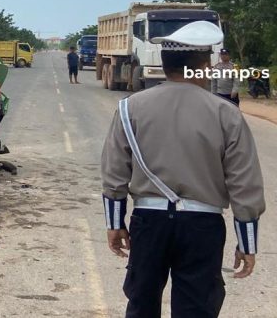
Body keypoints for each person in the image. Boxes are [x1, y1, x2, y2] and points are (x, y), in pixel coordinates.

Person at [101, 21, 265, 318]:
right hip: (202, 227)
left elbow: (115, 172)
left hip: (148, 223)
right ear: (203, 66)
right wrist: (247, 241)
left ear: (164, 64)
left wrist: (115, 223)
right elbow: (245, 185)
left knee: (141, 305)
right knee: (197, 308)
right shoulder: (226, 114)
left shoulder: (129, 108)